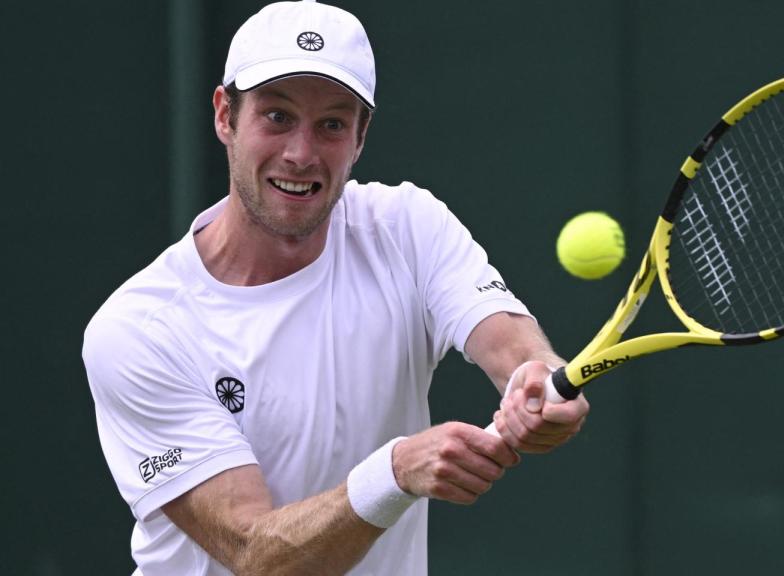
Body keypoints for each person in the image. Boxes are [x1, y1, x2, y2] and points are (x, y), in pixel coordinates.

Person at [81, 1, 589, 574]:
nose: (300, 154)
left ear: (360, 136)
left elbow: (511, 345)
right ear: (225, 116)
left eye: (331, 124)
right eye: (277, 117)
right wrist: (394, 472)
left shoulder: (407, 227)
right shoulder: (137, 332)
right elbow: (256, 555)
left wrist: (536, 383)